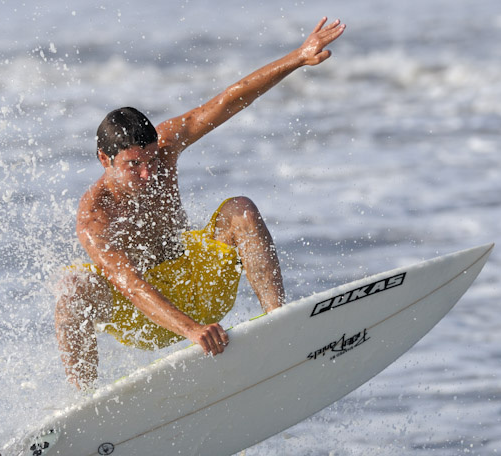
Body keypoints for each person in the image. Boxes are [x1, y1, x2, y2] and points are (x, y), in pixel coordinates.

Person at [55, 17, 346, 389]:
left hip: (199, 285)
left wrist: (298, 57)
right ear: (104, 160)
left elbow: (230, 99)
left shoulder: (165, 146)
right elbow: (128, 284)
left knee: (239, 209)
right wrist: (192, 330)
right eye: (133, 165)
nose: (148, 174)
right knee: (73, 287)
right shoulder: (94, 217)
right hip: (146, 314)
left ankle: (279, 324)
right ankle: (84, 403)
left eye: (151, 159)